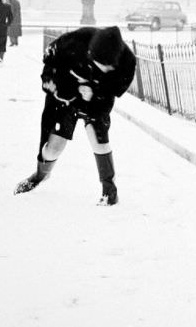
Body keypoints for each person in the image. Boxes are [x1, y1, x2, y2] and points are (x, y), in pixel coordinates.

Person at [14, 26, 136, 205]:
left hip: (96, 101)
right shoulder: (75, 41)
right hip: (64, 95)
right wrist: (51, 82)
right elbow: (50, 59)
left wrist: (94, 94)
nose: (102, 70)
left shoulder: (127, 63)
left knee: (99, 139)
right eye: (99, 64)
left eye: (107, 67)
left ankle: (109, 190)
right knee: (53, 147)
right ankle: (40, 175)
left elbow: (112, 94)